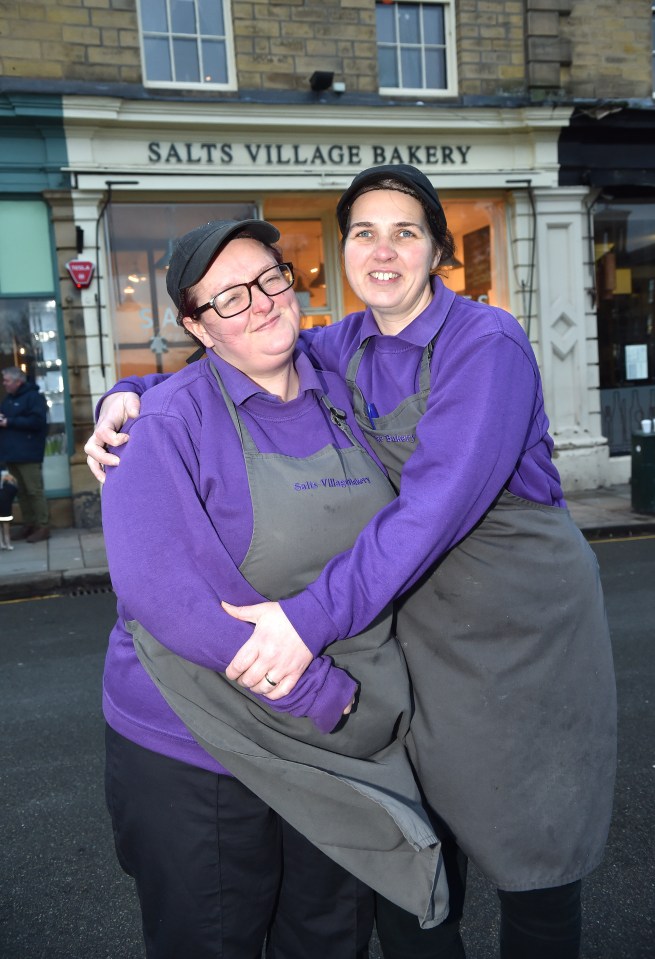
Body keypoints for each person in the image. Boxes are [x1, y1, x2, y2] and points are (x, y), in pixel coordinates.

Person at [87, 166, 617, 959]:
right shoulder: (343, 342)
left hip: (515, 627)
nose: (382, 250)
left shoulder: (485, 343)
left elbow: (427, 511)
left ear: (438, 246)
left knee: (531, 852)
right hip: (405, 633)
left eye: (405, 230)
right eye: (363, 231)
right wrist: (125, 394)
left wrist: (306, 623)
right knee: (411, 864)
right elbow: (232, 356)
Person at [98, 217, 446, 959]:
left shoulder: (343, 384)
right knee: (210, 939)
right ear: (197, 326)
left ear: (292, 284)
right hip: (199, 742)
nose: (257, 302)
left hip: (330, 747)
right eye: (227, 298)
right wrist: (316, 693)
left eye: (267, 278)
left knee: (327, 937)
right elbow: (164, 591)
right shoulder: (163, 422)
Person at [0, 366, 49, 542]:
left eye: (6, 381)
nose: (4, 384)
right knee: (20, 491)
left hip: (28, 452)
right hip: (11, 453)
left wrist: (9, 422)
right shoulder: (8, 399)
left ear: (17, 382)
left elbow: (37, 421)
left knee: (33, 490)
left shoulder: (33, 397)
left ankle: (43, 526)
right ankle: (29, 524)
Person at [0, 470, 19, 549]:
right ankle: (7, 543)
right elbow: (15, 488)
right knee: (5, 525)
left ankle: (2, 543)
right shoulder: (11, 487)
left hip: (4, 505)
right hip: (5, 507)